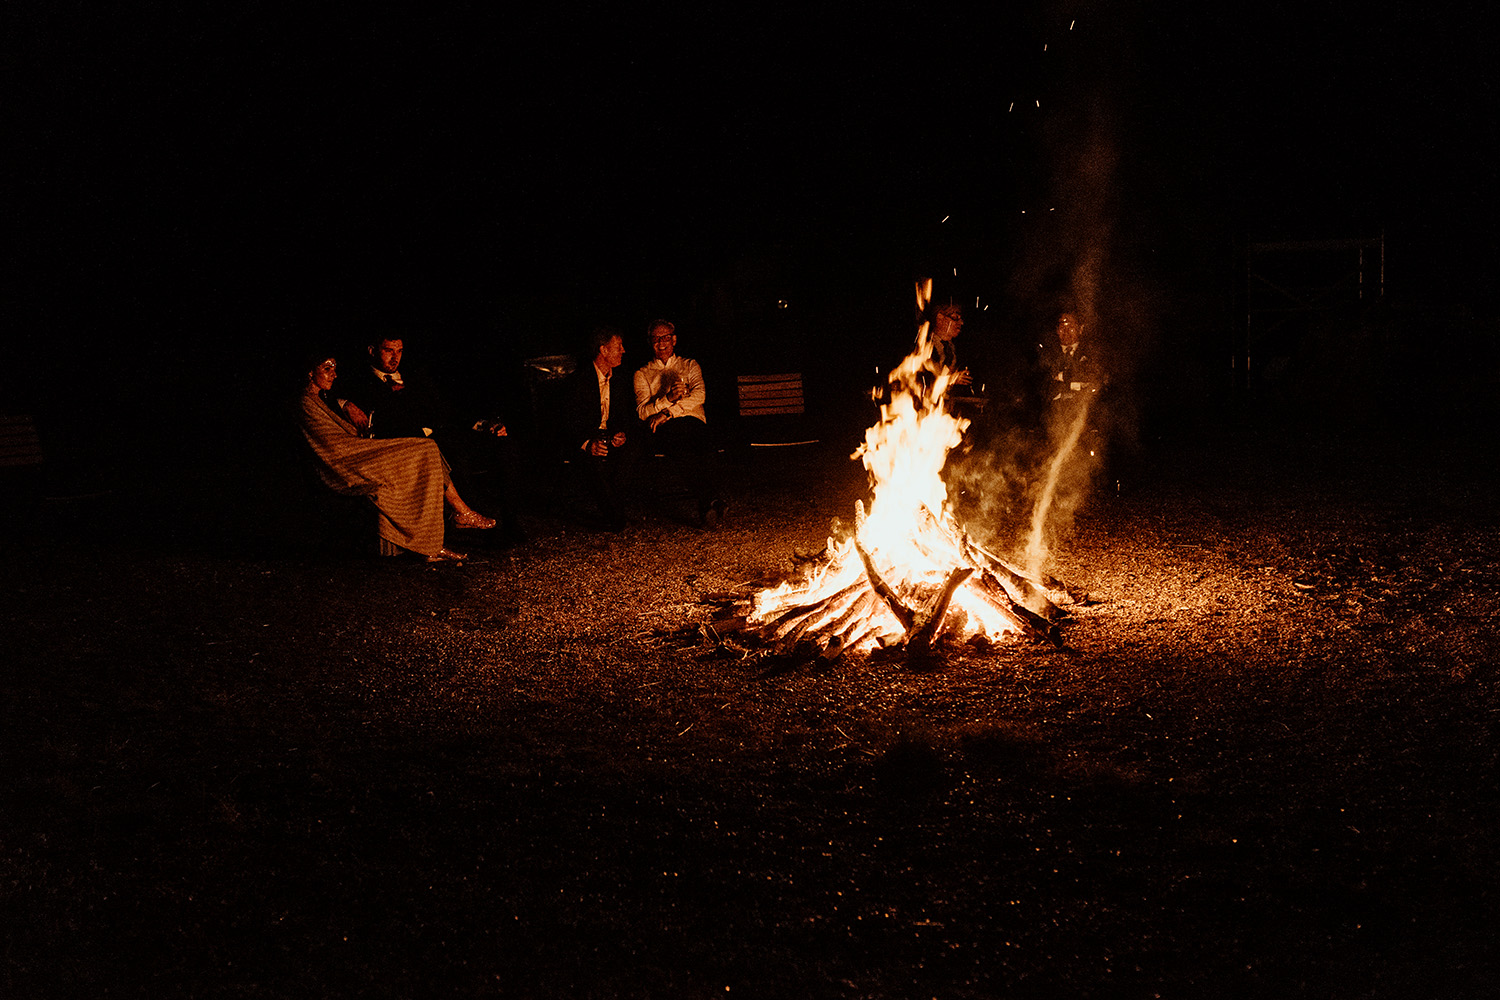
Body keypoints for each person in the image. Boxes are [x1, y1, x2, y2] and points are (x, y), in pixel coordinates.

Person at [296, 353, 493, 562]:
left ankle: (437, 538)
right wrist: (360, 438)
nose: (334, 374)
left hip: (360, 451)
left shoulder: (323, 399)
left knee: (427, 451)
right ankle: (452, 521)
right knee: (425, 450)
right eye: (327, 369)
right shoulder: (305, 403)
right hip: (346, 462)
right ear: (310, 372)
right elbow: (331, 445)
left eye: (334, 368)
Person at [338, 334, 523, 543]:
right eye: (388, 350)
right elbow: (326, 392)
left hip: (445, 433)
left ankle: (510, 521)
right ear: (372, 351)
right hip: (410, 444)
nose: (395, 357)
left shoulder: (415, 375)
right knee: (453, 457)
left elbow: (446, 410)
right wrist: (344, 403)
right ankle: (469, 524)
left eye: (399, 351)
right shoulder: (360, 381)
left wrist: (484, 424)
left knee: (504, 445)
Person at [632, 319, 727, 527]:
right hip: (666, 430)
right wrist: (668, 399)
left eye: (665, 337)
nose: (661, 343)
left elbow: (699, 395)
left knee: (703, 445)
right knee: (678, 440)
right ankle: (710, 500)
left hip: (693, 423)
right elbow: (642, 411)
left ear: (674, 340)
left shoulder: (690, 365)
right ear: (650, 342)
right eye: (656, 339)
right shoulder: (642, 374)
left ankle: (707, 502)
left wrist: (668, 412)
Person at [562, 326, 639, 531]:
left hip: (607, 436)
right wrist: (587, 444)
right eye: (618, 346)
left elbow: (624, 415)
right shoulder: (579, 381)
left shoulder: (620, 380)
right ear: (603, 350)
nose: (623, 350)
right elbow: (568, 421)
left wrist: (620, 433)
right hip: (584, 437)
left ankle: (613, 511)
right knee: (593, 461)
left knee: (630, 452)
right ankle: (616, 518)